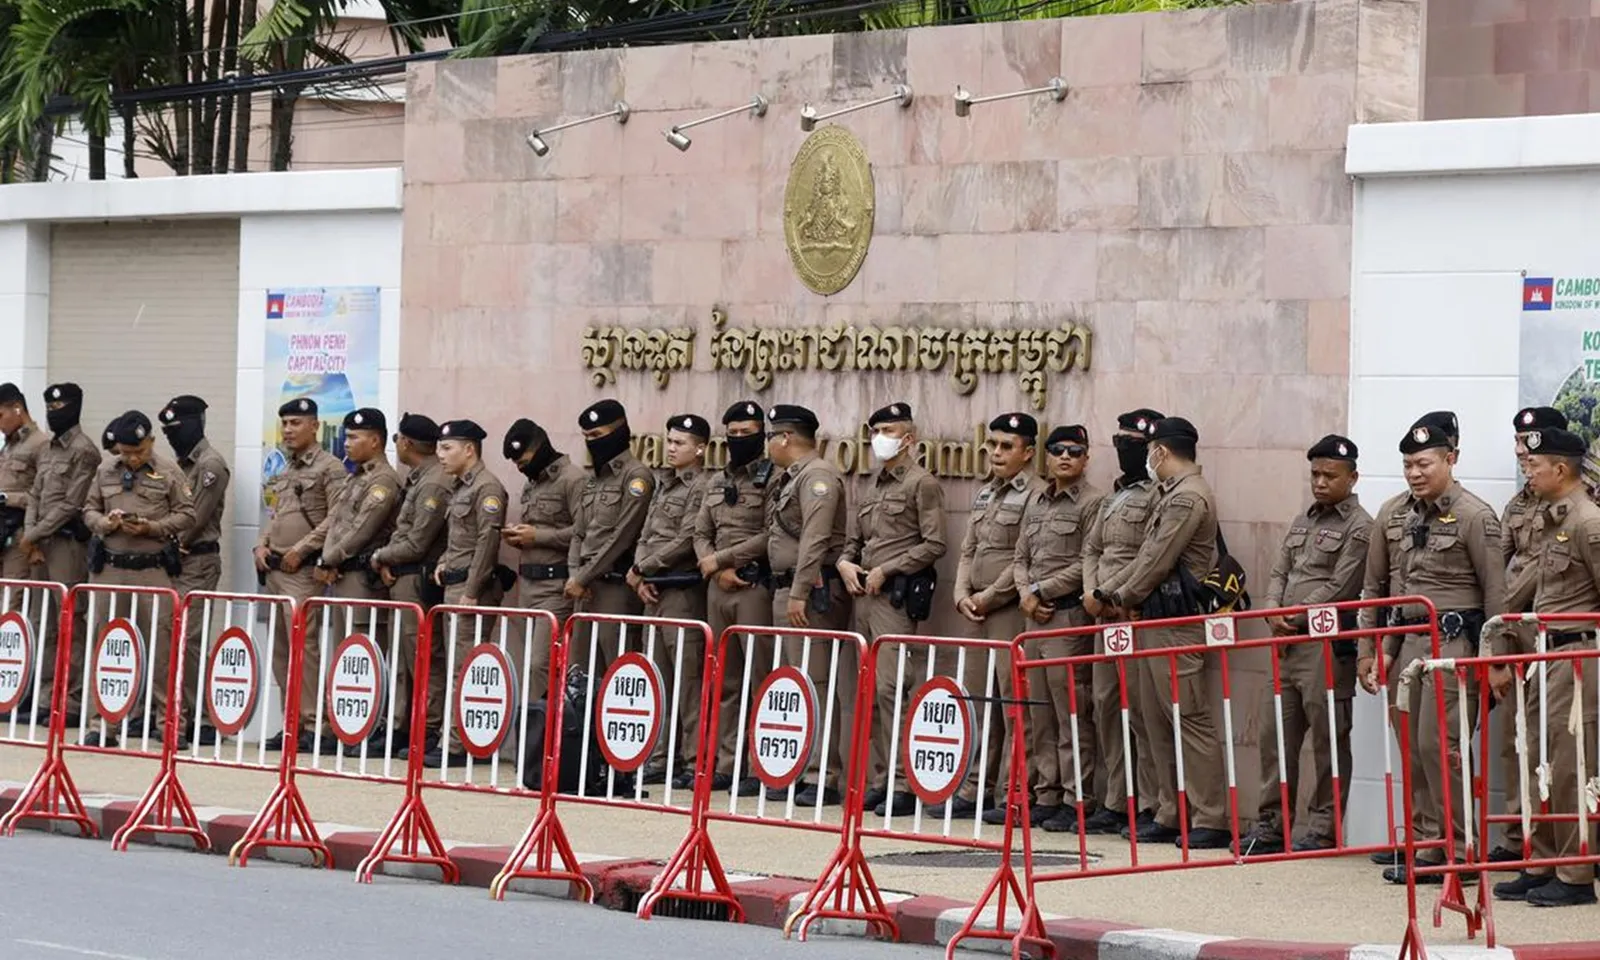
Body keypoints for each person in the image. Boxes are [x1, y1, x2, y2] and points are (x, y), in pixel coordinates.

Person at [1358, 414, 1505, 884]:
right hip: (1408, 647)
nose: (1414, 473)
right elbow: (1379, 591)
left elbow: (1497, 597)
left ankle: (1459, 851)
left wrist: (1495, 662)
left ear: (1451, 459)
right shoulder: (1398, 515)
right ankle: (1425, 843)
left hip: (1453, 646)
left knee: (1441, 747)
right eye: (1407, 465)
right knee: (1413, 749)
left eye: (1423, 463)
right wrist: (1375, 650)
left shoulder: (1475, 516)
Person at [1092, 417, 1229, 849]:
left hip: (1176, 624)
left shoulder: (1188, 498)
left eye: (1150, 450)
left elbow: (1158, 559)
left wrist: (1121, 596)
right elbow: (1147, 554)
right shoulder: (1169, 495)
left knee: (1188, 719)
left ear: (1161, 452)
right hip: (1152, 619)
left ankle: (1211, 815)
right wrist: (1114, 593)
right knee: (1153, 719)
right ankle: (1170, 810)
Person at [1239, 434, 1370, 854]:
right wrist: (1273, 608)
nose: (1320, 482)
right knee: (1275, 735)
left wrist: (1292, 616)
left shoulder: (1360, 526)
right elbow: (1279, 571)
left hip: (1324, 643)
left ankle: (1323, 827)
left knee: (1329, 739)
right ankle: (1273, 824)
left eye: (1330, 475)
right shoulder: (1302, 521)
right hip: (1286, 642)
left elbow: (1342, 584)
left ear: (1352, 477)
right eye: (1314, 473)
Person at [1489, 426, 1599, 908]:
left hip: (1576, 656)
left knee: (1573, 763)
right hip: (1544, 655)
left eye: (1534, 465)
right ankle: (1544, 861)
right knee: (1541, 759)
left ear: (1560, 469)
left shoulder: (1587, 521)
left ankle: (1576, 873)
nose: (1526, 471)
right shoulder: (1555, 517)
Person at [838, 402, 947, 819]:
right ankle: (880, 779)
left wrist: (888, 569)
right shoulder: (873, 485)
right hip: (863, 596)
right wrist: (846, 563)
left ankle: (902, 783)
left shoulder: (922, 484)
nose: (879, 437)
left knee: (894, 690)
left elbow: (934, 543)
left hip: (895, 598)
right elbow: (855, 541)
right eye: (875, 429)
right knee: (870, 691)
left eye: (888, 429)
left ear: (908, 438)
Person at [943, 412, 1044, 821]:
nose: (996, 453)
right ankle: (975, 785)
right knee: (978, 702)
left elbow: (1024, 556)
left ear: (1028, 452)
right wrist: (960, 592)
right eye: (992, 445)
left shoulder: (1036, 494)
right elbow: (969, 549)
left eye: (1006, 446)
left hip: (1006, 612)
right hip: (976, 611)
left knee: (1012, 705)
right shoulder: (987, 493)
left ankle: (1011, 790)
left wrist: (987, 597)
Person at [1006, 424, 1102, 831]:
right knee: (1041, 712)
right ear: (1046, 456)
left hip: (1066, 618)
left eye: (1075, 451)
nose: (1066, 457)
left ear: (1085, 458)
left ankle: (1077, 797)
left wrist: (1041, 590)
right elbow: (1019, 557)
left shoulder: (1093, 502)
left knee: (1071, 714)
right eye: (1058, 450)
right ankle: (1047, 792)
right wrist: (1026, 592)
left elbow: (1087, 562)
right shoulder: (1038, 501)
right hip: (1034, 616)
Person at [81, 411, 195, 746]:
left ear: (151, 443)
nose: (132, 458)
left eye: (139, 451)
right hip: (110, 569)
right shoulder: (104, 470)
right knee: (107, 648)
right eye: (126, 451)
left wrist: (152, 527)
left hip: (152, 569)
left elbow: (187, 514)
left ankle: (169, 724)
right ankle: (102, 724)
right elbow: (87, 509)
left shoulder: (169, 471)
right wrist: (105, 524)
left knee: (163, 650)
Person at [1079, 408, 1165, 836]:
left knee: (1142, 714)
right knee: (1106, 706)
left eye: (1132, 442)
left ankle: (1150, 802)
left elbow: (1150, 556)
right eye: (1119, 440)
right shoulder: (1114, 496)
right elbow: (1092, 549)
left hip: (1131, 612)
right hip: (1102, 614)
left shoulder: (1158, 495)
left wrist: (1110, 594)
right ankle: (1115, 799)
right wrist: (1093, 593)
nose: (1123, 448)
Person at [766, 404, 853, 805]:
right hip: (789, 590)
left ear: (784, 438)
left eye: (771, 436)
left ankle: (824, 775)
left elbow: (816, 539)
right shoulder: (792, 478)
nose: (768, 444)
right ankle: (800, 768)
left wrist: (799, 590)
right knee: (797, 684)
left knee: (817, 684)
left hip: (811, 594)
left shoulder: (817, 477)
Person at [1493, 405, 1567, 864]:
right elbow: (1504, 575)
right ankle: (1521, 837)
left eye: (1532, 443)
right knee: (1515, 741)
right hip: (1520, 636)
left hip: (1563, 638)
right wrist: (1499, 651)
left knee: (1564, 746)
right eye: (1519, 443)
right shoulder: (1517, 506)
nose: (1522, 451)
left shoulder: (1585, 504)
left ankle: (1568, 844)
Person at [254, 397, 347, 751]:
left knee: (305, 649)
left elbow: (336, 518)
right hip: (275, 569)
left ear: (315, 426)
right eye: (285, 423)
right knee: (281, 650)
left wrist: (302, 549)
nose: (289, 430)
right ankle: (290, 722)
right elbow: (275, 515)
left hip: (303, 571)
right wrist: (260, 544)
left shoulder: (330, 468)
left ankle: (315, 725)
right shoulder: (285, 468)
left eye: (296, 423)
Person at [694, 401, 774, 795]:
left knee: (760, 680)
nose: (739, 440)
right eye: (734, 433)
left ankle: (760, 766)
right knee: (724, 681)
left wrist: (721, 561)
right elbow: (700, 532)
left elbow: (770, 535)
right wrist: (710, 565)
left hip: (752, 588)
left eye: (748, 433)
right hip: (717, 589)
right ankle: (727, 763)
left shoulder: (773, 477)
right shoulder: (715, 481)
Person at [629, 414, 712, 786]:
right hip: (653, 590)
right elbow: (647, 532)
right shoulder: (664, 483)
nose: (672, 447)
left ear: (700, 449)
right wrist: (639, 572)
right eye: (671, 440)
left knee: (688, 681)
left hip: (681, 591)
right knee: (657, 679)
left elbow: (687, 538)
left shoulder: (702, 486)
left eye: (680, 442)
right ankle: (660, 758)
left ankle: (693, 760)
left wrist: (644, 566)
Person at [315, 408, 402, 756]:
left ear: (375, 440)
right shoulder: (355, 478)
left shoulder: (383, 481)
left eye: (354, 437)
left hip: (364, 582)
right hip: (342, 577)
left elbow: (361, 532)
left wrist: (329, 559)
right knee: (344, 659)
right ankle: (345, 728)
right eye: (347, 436)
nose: (347, 443)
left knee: (367, 660)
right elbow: (335, 523)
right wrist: (326, 558)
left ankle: (368, 728)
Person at [425, 419, 508, 767]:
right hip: (454, 584)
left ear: (469, 449)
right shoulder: (460, 487)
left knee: (465, 667)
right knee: (456, 665)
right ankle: (452, 736)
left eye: (447, 448)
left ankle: (459, 744)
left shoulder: (487, 488)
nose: (440, 455)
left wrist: (472, 590)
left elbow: (487, 543)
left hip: (470, 590)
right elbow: (460, 537)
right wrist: (444, 561)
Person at [371, 414, 451, 762]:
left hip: (416, 577)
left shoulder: (433, 483)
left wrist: (379, 556)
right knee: (406, 659)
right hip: (402, 574)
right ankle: (405, 724)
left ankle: (428, 727)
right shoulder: (420, 478)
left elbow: (417, 542)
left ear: (407, 443)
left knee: (423, 657)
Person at [22, 383, 102, 722]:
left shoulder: (85, 450)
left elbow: (71, 503)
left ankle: (70, 700)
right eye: (50, 407)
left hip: (68, 545)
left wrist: (34, 534)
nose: (54, 412)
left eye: (61, 407)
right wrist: (31, 535)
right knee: (45, 623)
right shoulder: (49, 449)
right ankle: (45, 697)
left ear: (76, 407)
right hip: (40, 545)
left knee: (72, 621)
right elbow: (34, 494)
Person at [159, 394, 231, 747]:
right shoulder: (177, 464)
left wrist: (164, 543)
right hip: (172, 562)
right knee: (173, 641)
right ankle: (176, 713)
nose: (171, 435)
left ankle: (198, 718)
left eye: (175, 428)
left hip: (196, 561)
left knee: (190, 642)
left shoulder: (209, 465)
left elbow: (192, 520)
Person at [501, 417, 585, 710]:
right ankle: (536, 734)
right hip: (528, 586)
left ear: (540, 448)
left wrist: (539, 536)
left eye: (523, 460)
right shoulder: (533, 483)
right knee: (531, 665)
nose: (521, 468)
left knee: (541, 664)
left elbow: (583, 531)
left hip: (555, 587)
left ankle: (542, 740)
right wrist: (521, 536)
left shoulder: (572, 479)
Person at [565, 400, 654, 675]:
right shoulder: (594, 479)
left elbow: (622, 537)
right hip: (584, 590)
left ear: (618, 432)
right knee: (579, 673)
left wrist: (582, 577)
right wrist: (574, 575)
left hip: (614, 587)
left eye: (597, 436)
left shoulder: (636, 476)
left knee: (617, 670)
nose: (592, 443)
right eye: (587, 437)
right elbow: (579, 532)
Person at [0, 383, 48, 584]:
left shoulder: (40, 444)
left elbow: (45, 495)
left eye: (0, 415)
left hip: (22, 533)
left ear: (17, 409)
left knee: (12, 598)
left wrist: (6, 498)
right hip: (3, 529)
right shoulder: (8, 446)